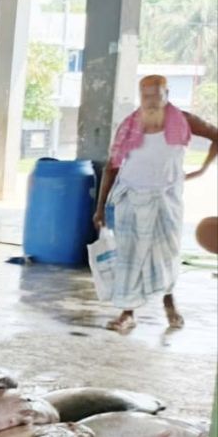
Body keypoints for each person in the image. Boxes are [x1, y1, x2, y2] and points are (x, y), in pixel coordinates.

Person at [93, 75, 217, 333]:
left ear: (167, 94)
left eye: (156, 95)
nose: (150, 102)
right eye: (145, 96)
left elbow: (215, 134)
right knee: (130, 257)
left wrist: (204, 169)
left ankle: (169, 303)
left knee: (165, 256)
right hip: (131, 199)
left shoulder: (184, 120)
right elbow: (112, 167)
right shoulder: (128, 126)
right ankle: (127, 314)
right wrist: (100, 207)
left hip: (166, 201)